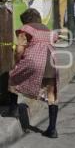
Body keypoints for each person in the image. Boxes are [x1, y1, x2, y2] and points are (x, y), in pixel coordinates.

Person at [6, 8, 59, 138]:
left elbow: (19, 50)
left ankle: (13, 110)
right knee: (51, 94)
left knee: (13, 76)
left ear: (25, 20)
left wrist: (16, 62)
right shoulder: (48, 30)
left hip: (34, 60)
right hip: (51, 62)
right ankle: (52, 129)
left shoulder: (25, 29)